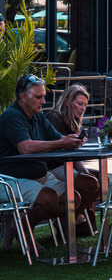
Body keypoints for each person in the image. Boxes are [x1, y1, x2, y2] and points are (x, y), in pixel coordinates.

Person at [0, 74, 86, 251]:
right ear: (24, 97)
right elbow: (26, 147)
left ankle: (18, 225)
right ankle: (24, 229)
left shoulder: (37, 116)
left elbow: (58, 138)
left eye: (43, 96)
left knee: (73, 198)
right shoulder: (12, 116)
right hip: (10, 179)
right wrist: (62, 143)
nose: (43, 101)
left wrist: (72, 139)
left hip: (39, 176)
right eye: (39, 97)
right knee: (49, 198)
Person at [45, 84, 100, 233]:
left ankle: (71, 217)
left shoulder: (73, 123)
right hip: (51, 168)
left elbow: (73, 155)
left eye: (85, 105)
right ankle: (66, 219)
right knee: (90, 183)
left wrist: (84, 170)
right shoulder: (54, 117)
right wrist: (70, 145)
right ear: (67, 101)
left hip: (66, 165)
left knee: (101, 178)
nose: (83, 108)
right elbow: (49, 147)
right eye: (79, 103)